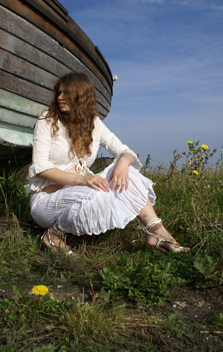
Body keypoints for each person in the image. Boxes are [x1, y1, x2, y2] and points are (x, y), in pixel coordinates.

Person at [27, 73, 189, 254]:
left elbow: (125, 151)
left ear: (81, 96)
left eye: (66, 93)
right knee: (97, 191)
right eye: (59, 93)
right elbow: (40, 167)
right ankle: (53, 236)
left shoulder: (94, 124)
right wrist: (82, 180)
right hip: (47, 202)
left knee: (128, 173)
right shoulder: (47, 120)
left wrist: (122, 164)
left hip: (82, 194)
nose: (59, 97)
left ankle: (157, 231)